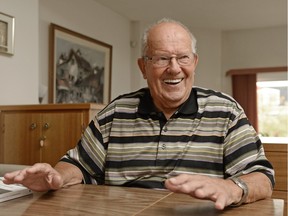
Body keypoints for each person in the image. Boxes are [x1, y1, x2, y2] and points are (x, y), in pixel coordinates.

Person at [3, 18, 274, 210]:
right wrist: (57, 176)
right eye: (161, 58)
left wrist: (232, 188)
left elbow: (261, 177)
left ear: (194, 63)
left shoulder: (226, 111)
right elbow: (79, 165)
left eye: (183, 57)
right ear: (143, 67)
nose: (174, 68)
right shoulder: (115, 113)